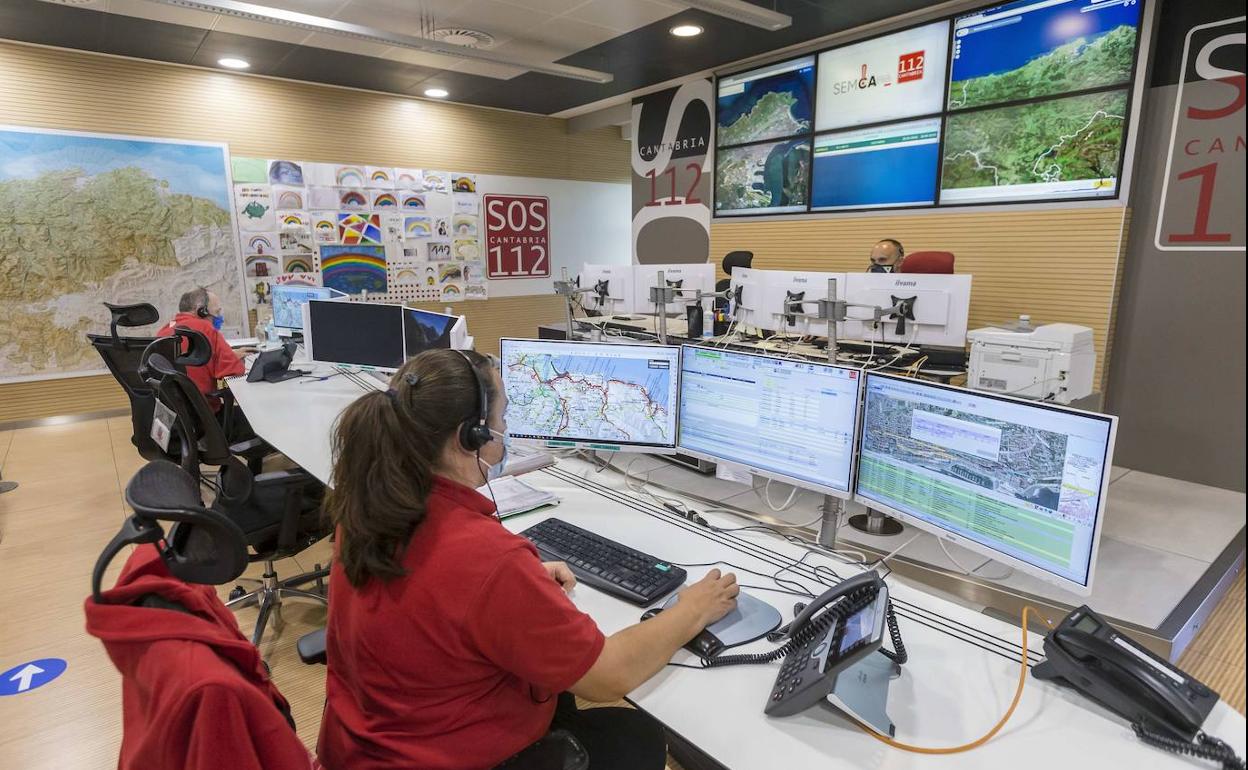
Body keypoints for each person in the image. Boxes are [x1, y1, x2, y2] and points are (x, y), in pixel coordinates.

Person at [318, 349, 739, 770]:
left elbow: (426, 596)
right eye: (501, 419)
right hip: (443, 754)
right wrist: (692, 609)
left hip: (362, 744)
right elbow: (610, 675)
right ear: (470, 438)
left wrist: (515, 591)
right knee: (636, 735)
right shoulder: (487, 558)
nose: (505, 430)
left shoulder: (369, 506)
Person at [157, 288, 246, 412]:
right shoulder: (206, 328)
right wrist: (239, 361)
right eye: (217, 311)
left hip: (176, 417)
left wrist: (228, 356)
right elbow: (235, 372)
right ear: (202, 311)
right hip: (207, 416)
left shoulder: (165, 329)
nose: (219, 317)